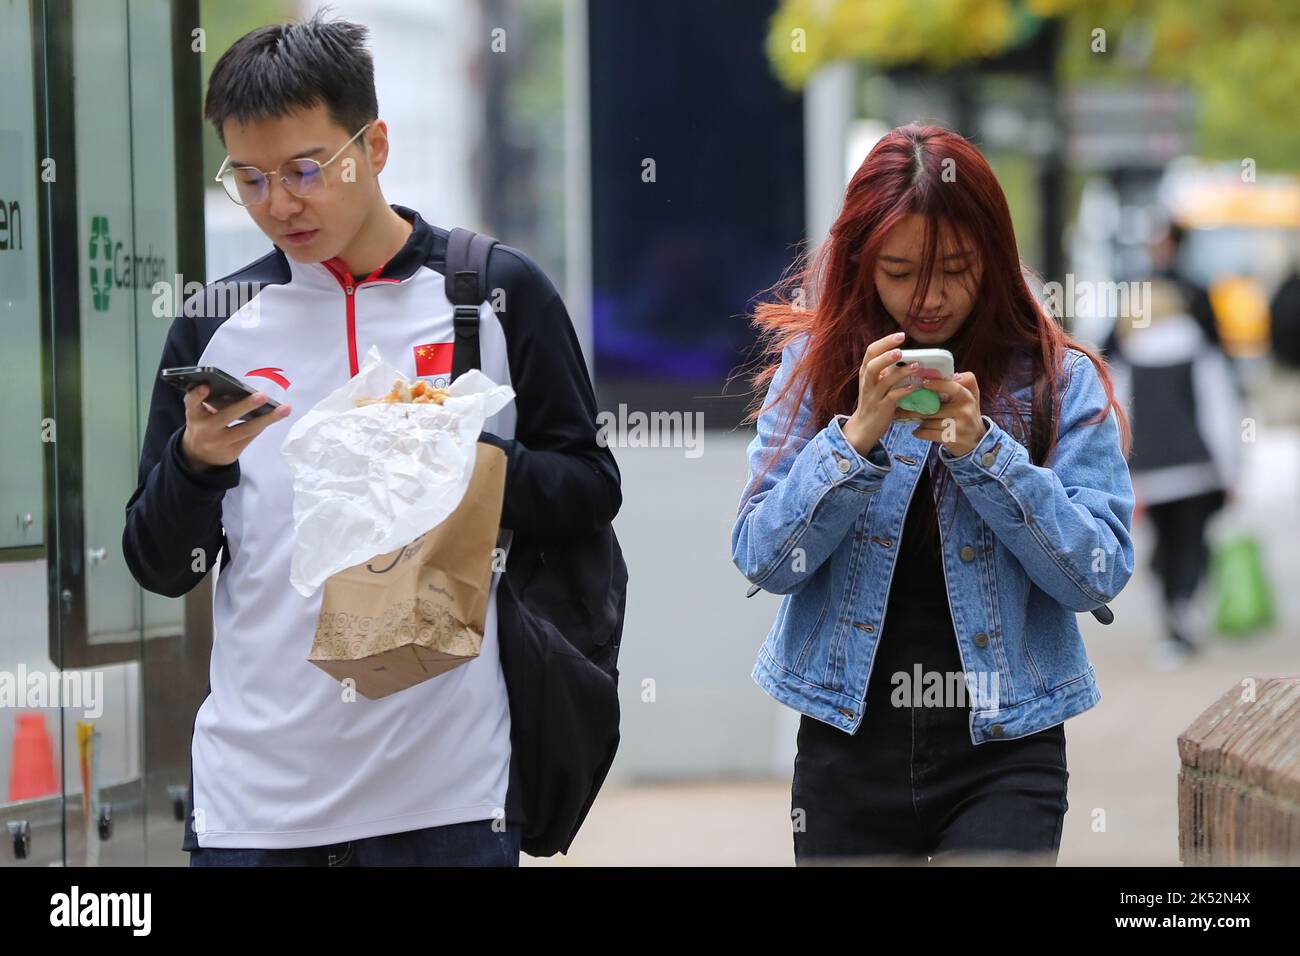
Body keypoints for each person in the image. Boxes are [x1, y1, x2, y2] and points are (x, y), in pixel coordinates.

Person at [121, 12, 619, 866]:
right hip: (257, 806)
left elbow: (589, 487)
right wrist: (197, 464)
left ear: (375, 145)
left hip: (449, 797)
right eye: (249, 178)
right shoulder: (216, 326)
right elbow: (159, 566)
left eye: (306, 169)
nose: (279, 204)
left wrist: (464, 457)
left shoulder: (490, 294)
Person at [731, 124, 1136, 864]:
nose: (929, 298)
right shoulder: (814, 371)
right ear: (860, 264)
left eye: (955, 267)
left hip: (1007, 747)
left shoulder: (1056, 380)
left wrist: (985, 452)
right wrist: (852, 443)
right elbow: (763, 560)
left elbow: (1098, 572)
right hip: (847, 744)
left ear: (995, 255)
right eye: (899, 269)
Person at [1106, 279, 1243, 670]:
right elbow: (1219, 412)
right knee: (1192, 541)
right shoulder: (1200, 353)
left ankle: (1175, 620)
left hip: (1151, 473)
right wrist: (1231, 469)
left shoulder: (1129, 359)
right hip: (1198, 470)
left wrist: (1121, 475)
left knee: (1165, 545)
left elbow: (1120, 422)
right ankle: (1186, 608)